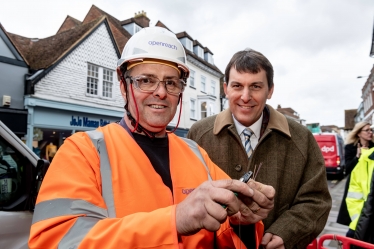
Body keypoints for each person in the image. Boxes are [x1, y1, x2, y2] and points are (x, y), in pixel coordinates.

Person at [28, 27, 275, 249]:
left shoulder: (196, 154)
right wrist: (173, 221)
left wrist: (242, 220)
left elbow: (223, 238)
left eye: (171, 83)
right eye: (146, 80)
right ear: (124, 85)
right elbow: (56, 241)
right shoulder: (83, 152)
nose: (160, 92)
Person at [187, 48, 332, 249]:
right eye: (237, 86)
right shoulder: (198, 134)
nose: (245, 97)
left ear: (270, 90)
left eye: (255, 86)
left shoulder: (302, 138)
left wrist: (286, 233)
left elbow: (316, 201)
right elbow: (185, 195)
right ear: (226, 88)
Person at [337, 121, 374, 237]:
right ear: (359, 133)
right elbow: (346, 169)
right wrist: (357, 157)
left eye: (371, 130)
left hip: (369, 183)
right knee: (354, 215)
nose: (370, 132)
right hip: (355, 184)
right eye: (367, 130)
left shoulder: (373, 147)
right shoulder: (350, 147)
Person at [346, 145, 374, 244]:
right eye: (367, 130)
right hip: (364, 228)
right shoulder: (366, 158)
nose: (370, 133)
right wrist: (358, 224)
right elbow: (354, 197)